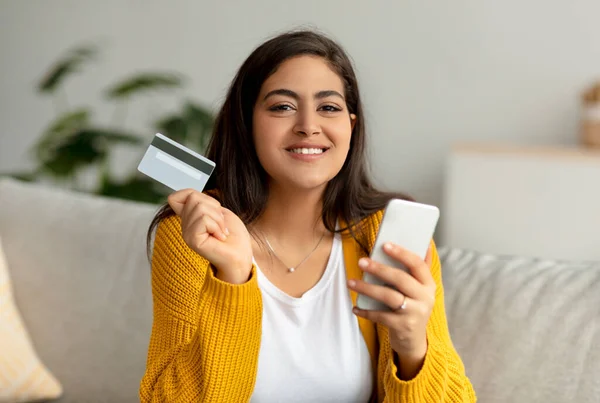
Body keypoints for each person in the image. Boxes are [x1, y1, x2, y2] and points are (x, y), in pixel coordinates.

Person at [139, 28, 476, 403]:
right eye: (282, 106)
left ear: (351, 124)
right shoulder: (193, 238)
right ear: (246, 124)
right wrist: (232, 277)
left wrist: (413, 349)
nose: (308, 126)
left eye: (328, 107)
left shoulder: (389, 238)